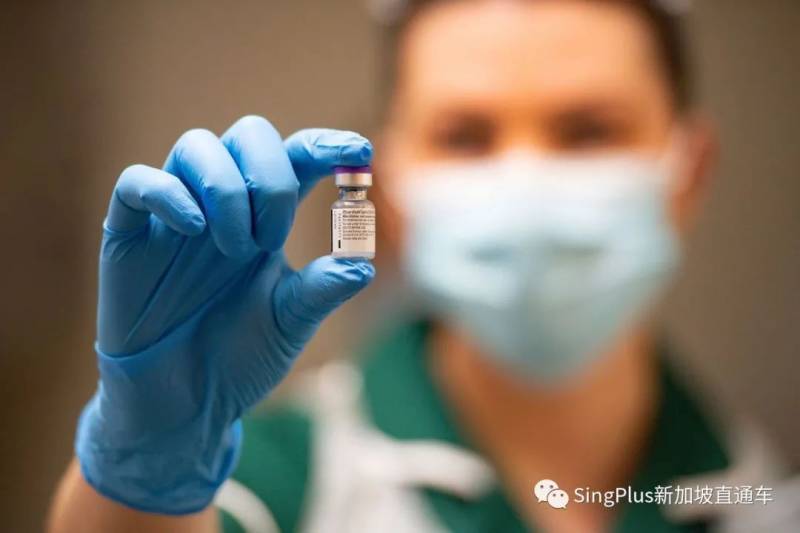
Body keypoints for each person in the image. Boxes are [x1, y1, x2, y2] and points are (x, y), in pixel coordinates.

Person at [47, 0, 797, 532]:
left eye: (588, 131)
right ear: (390, 186)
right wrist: (146, 475)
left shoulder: (763, 498)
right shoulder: (271, 481)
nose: (525, 185)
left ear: (690, 173)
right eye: (464, 135)